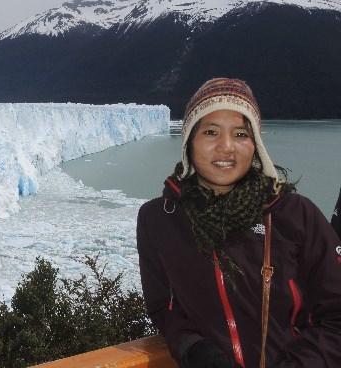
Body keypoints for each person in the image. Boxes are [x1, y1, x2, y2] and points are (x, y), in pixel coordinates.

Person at [136, 78, 341, 367]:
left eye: (241, 134)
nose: (226, 147)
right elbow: (164, 308)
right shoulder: (158, 219)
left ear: (255, 145)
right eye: (210, 132)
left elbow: (335, 314)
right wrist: (195, 349)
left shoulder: (294, 214)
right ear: (189, 142)